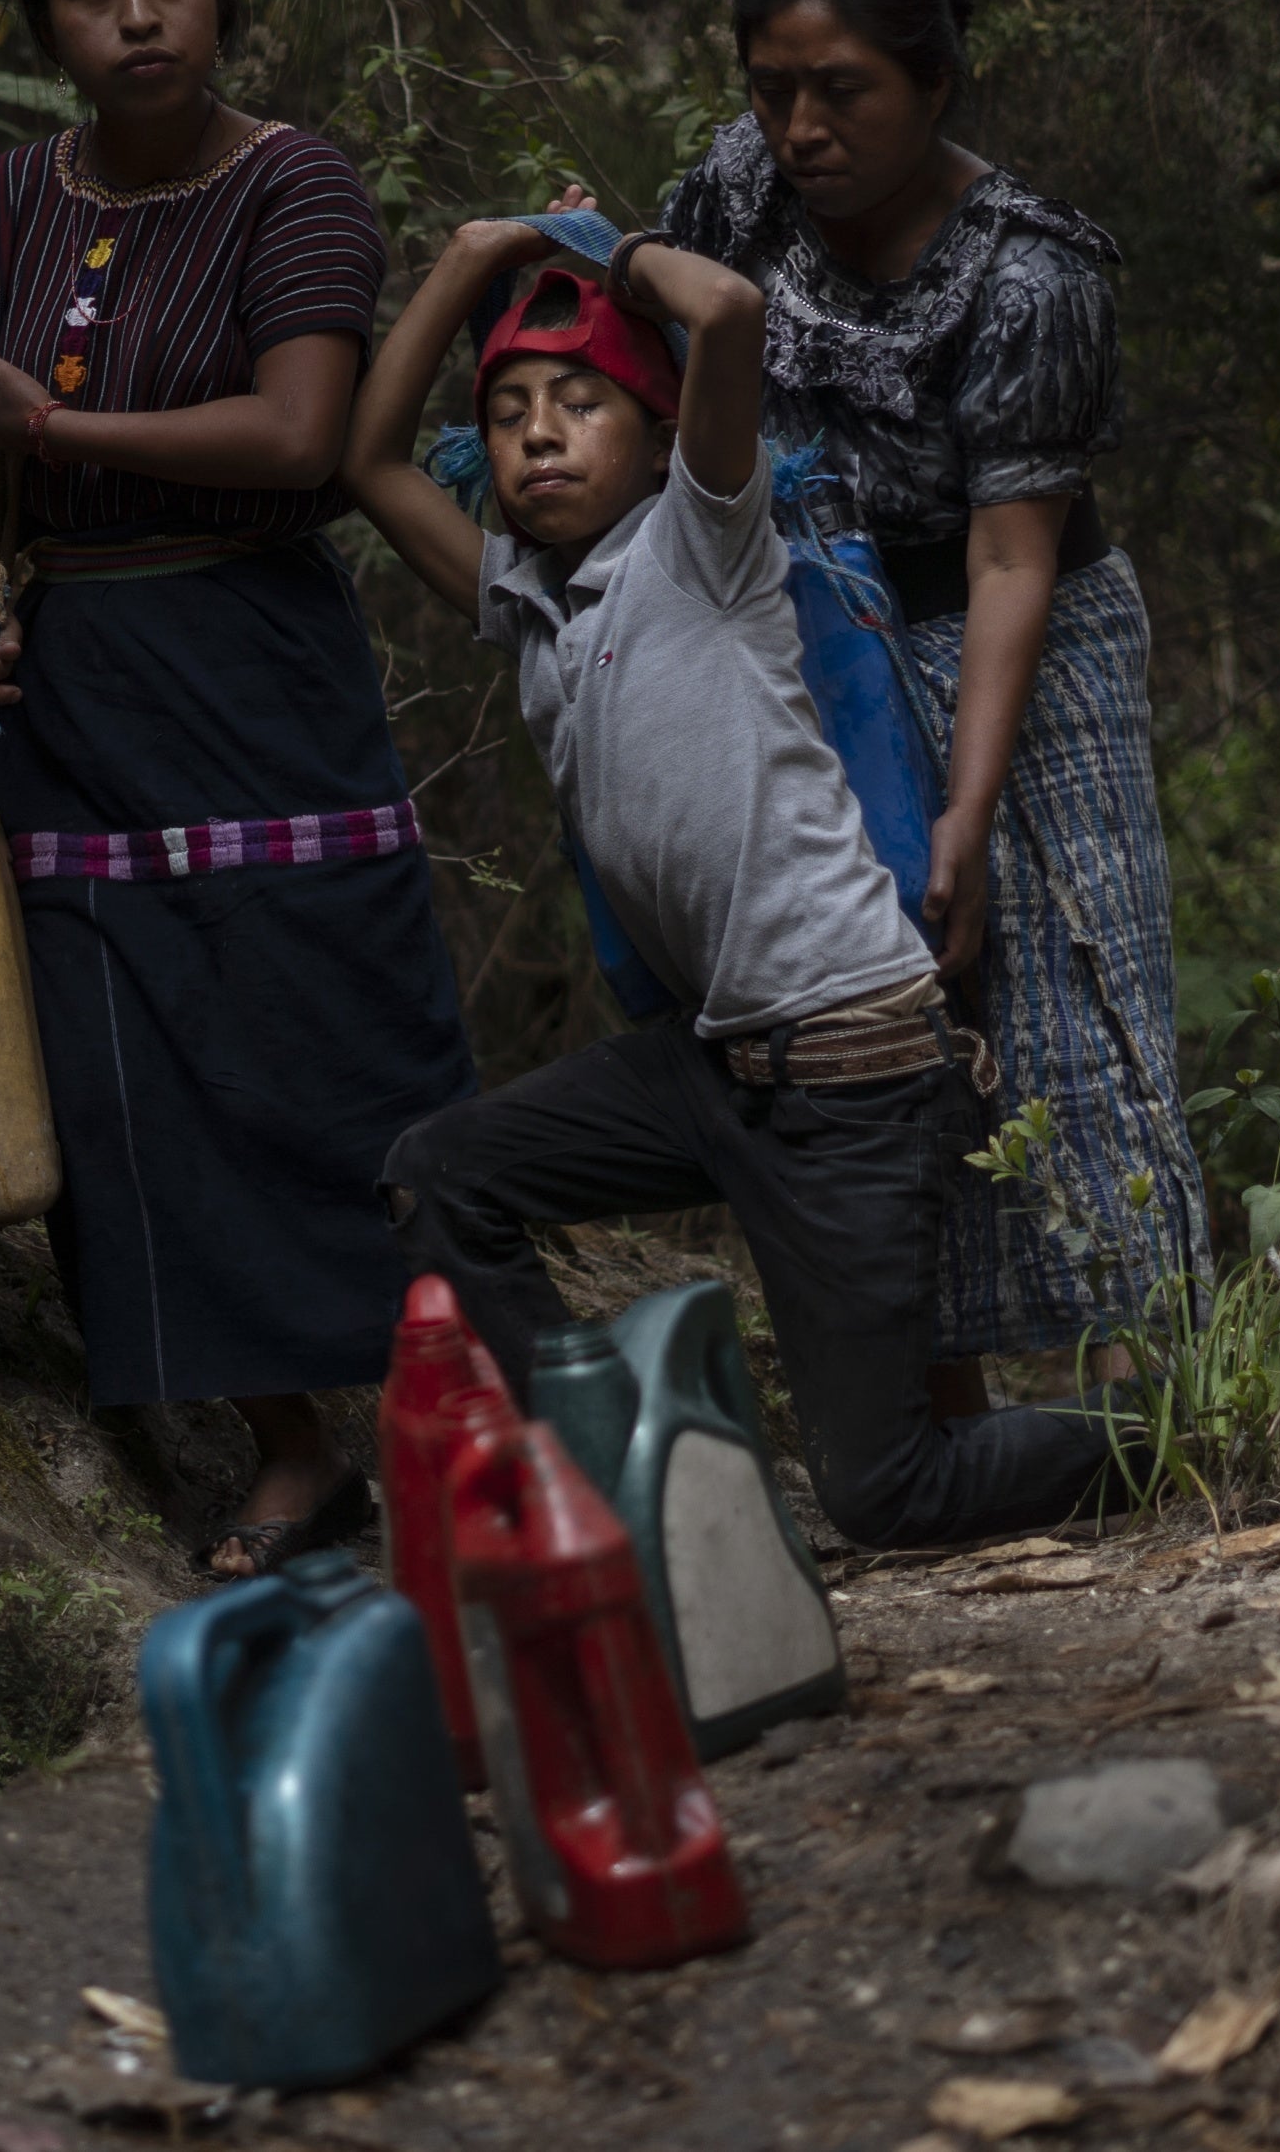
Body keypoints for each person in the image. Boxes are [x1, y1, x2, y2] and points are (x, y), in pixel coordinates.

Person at [335, 214, 1123, 1548]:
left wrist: (600, 248)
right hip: (712, 1070)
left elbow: (735, 316)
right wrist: (470, 259)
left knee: (885, 1491)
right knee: (437, 1174)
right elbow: (361, 460)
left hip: (852, 1072)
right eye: (513, 411)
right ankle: (612, 1485)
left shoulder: (701, 546)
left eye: (580, 404)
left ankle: (1162, 1435)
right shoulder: (526, 599)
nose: (536, 434)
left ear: (654, 437)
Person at [0, 0, 474, 1576]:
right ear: (46, 23)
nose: (139, 16)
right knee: (125, 1066)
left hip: (255, 672)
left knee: (325, 1024)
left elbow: (301, 434)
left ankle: (456, 1415)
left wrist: (59, 441)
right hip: (74, 692)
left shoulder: (295, 188)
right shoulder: (7, 202)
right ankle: (289, 1451)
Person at [644, 0, 1207, 1396]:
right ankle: (926, 1410)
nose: (803, 126)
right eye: (774, 89)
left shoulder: (1031, 273)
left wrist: (963, 802)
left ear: (936, 83)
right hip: (809, 629)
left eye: (844, 90)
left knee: (1064, 988)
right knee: (863, 1007)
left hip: (1014, 629)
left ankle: (1147, 1409)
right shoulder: (732, 188)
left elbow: (1014, 550)